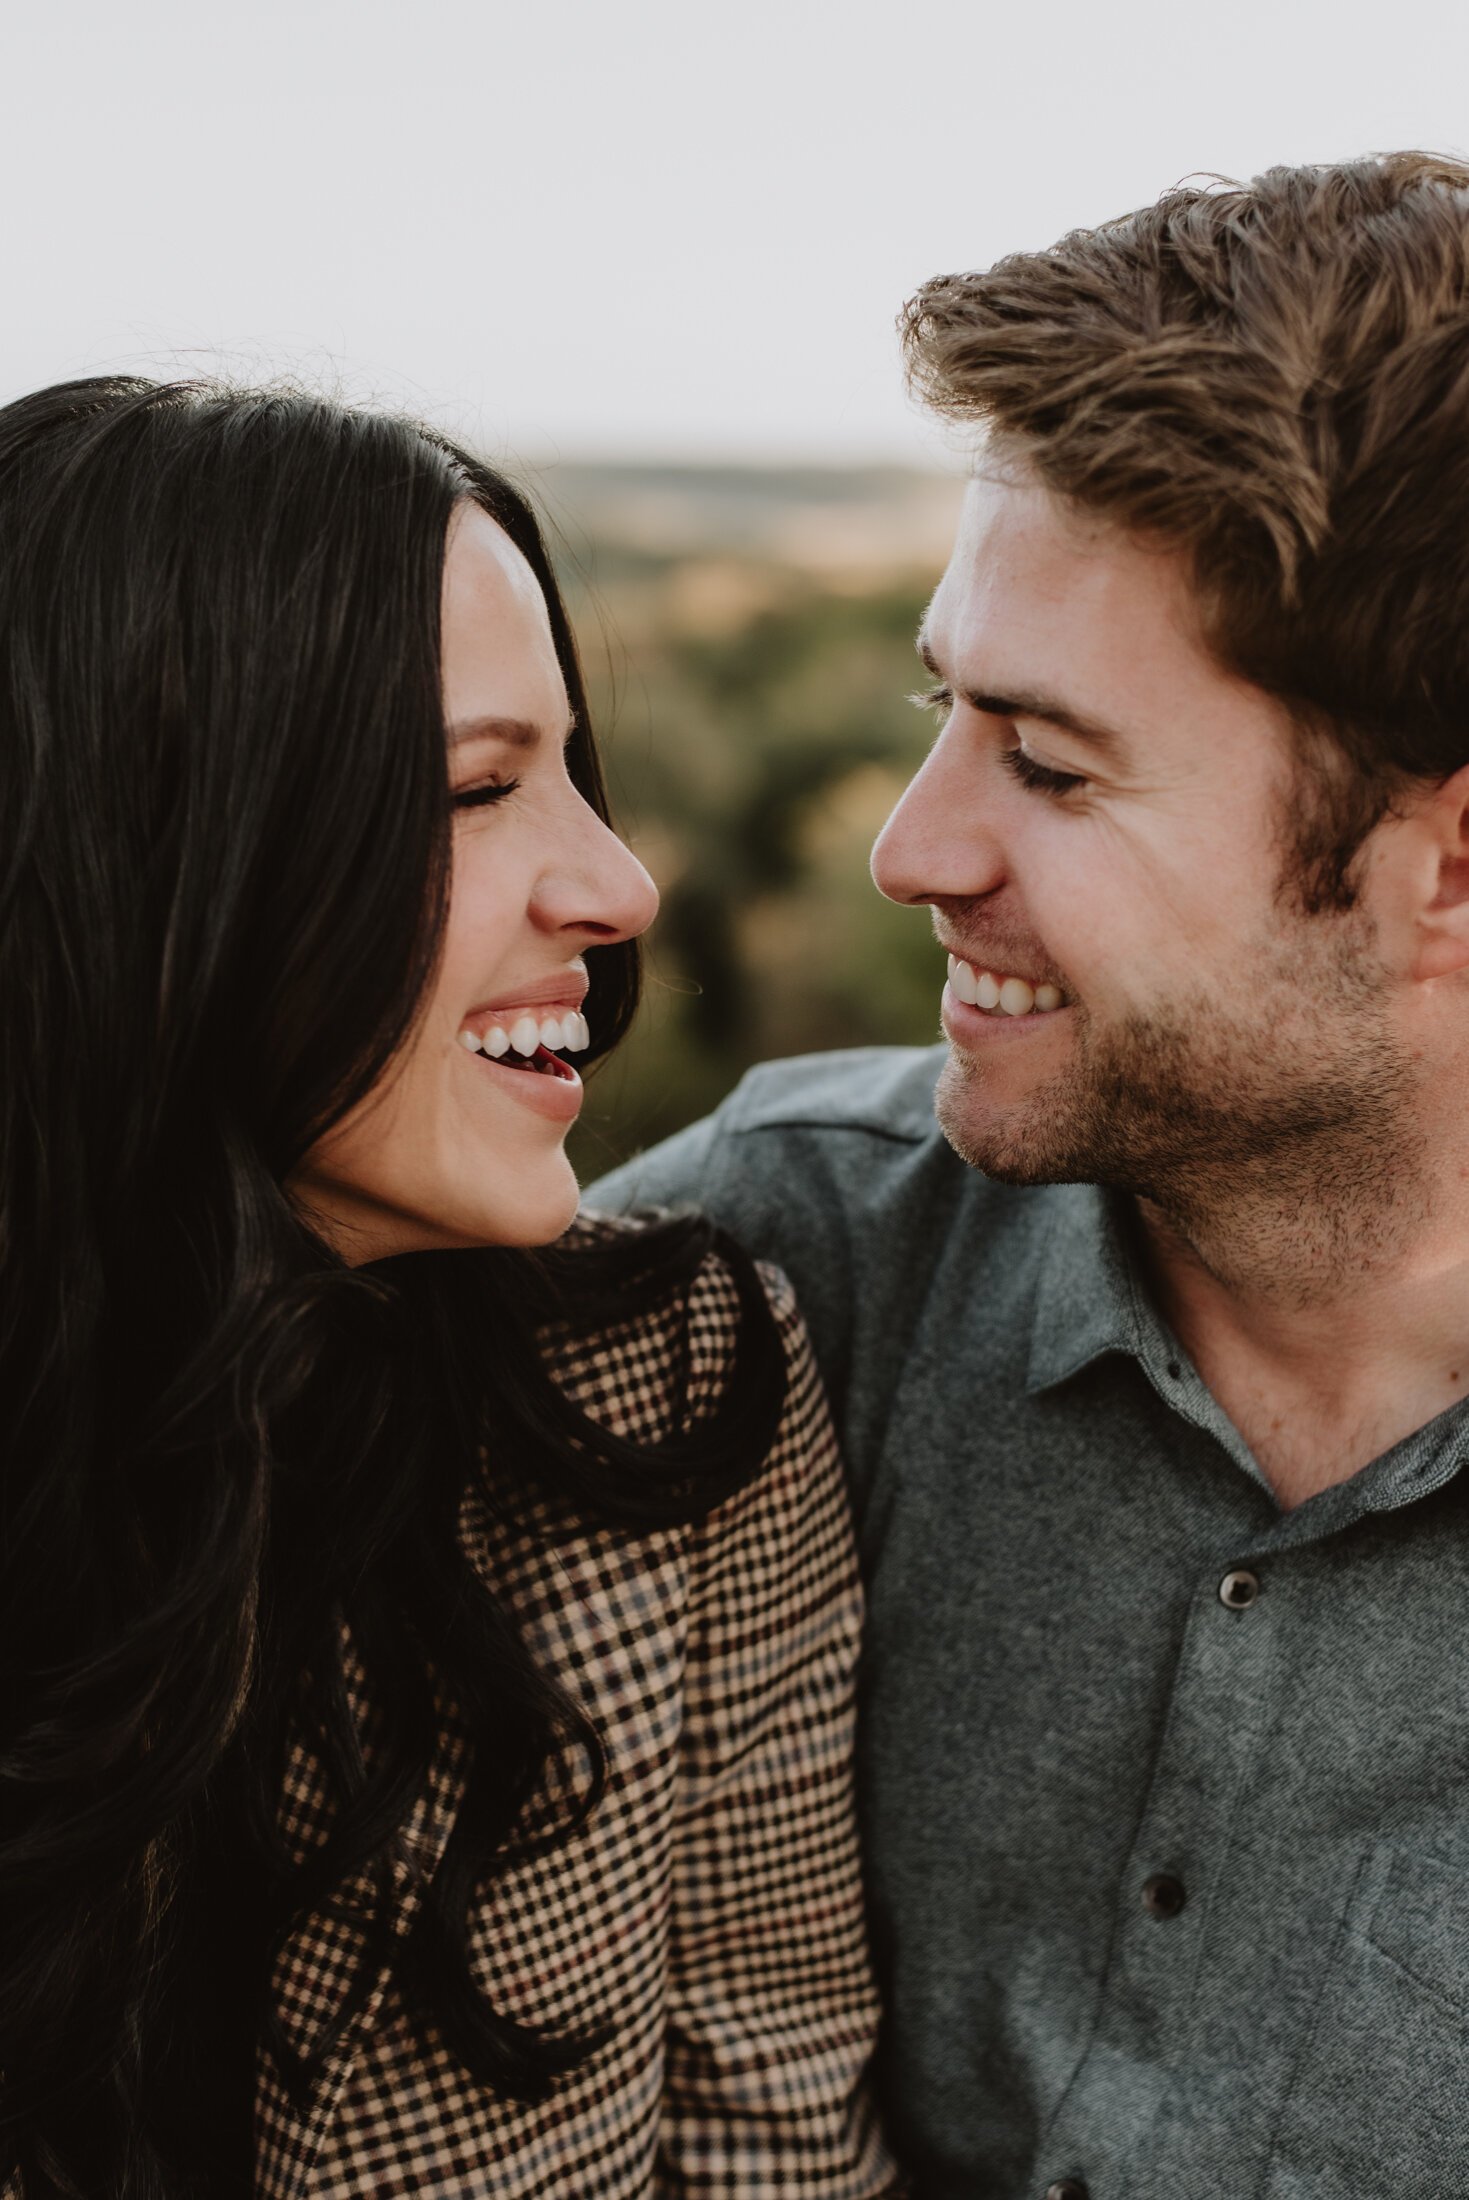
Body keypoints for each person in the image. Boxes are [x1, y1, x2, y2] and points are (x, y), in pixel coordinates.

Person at [590, 152, 1469, 2200]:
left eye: (1051, 766)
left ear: (1446, 876)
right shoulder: (780, 1259)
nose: (913, 847)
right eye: (942, 708)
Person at [0, 378, 904, 2200]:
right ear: (167, 844)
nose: (621, 880)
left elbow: (775, 2146)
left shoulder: (668, 1401)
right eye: (480, 787)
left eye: (578, 771)